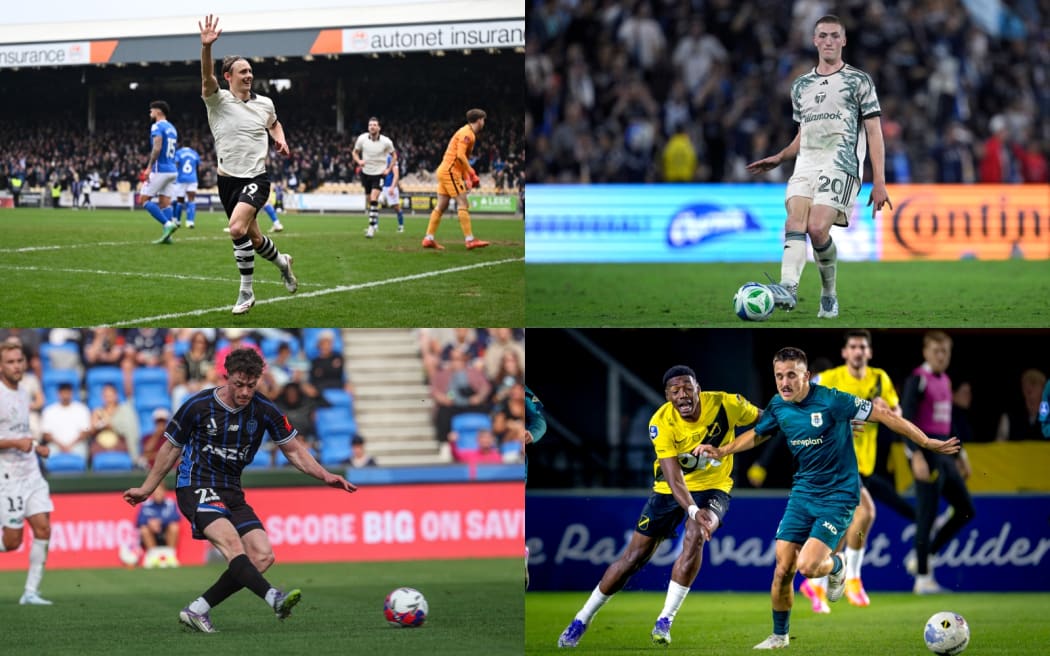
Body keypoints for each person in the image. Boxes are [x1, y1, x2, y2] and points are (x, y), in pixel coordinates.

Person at [694, 347, 959, 650]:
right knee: (782, 568)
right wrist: (723, 450)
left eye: (791, 375)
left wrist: (926, 442)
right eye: (779, 376)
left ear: (806, 376)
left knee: (807, 567)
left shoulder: (833, 399)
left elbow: (884, 415)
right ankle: (779, 637)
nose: (784, 382)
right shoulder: (779, 405)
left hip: (838, 495)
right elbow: (758, 433)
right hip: (803, 493)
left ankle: (836, 566)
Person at [123, 348, 357, 633]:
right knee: (233, 545)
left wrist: (324, 475)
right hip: (197, 486)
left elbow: (294, 450)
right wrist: (148, 488)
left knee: (262, 556)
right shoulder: (197, 406)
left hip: (232, 491)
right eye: (239, 384)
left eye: (251, 385)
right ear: (226, 377)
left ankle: (197, 610)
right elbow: (171, 447)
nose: (245, 391)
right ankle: (275, 598)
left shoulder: (265, 410)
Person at [558, 366, 761, 648]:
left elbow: (768, 422)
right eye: (675, 391)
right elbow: (674, 478)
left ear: (698, 388)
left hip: (714, 487)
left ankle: (665, 619)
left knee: (696, 535)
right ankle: (582, 618)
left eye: (687, 388)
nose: (683, 395)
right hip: (669, 491)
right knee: (633, 558)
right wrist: (691, 509)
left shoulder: (728, 403)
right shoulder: (661, 422)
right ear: (668, 396)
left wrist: (731, 449)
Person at [745, 15, 891, 319]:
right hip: (806, 164)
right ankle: (788, 287)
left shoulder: (859, 81)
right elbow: (804, 134)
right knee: (793, 222)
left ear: (844, 41)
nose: (828, 41)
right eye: (822, 36)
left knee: (816, 228)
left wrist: (879, 181)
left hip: (841, 164)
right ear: (814, 41)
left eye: (834, 36)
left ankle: (829, 292)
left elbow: (874, 130)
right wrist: (782, 156)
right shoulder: (801, 87)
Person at [798, 329, 914, 612]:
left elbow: (897, 417)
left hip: (861, 465)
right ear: (845, 352)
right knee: (867, 511)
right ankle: (853, 578)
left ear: (869, 352)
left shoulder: (879, 378)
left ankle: (817, 583)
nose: (859, 351)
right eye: (853, 346)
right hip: (833, 460)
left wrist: (888, 411)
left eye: (863, 346)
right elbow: (803, 411)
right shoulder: (829, 379)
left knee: (846, 526)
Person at [198, 14, 298, 315]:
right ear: (228, 77)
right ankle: (283, 263)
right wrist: (206, 49)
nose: (249, 75)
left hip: (256, 177)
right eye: (242, 72)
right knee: (253, 238)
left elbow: (275, 124)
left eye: (250, 71)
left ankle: (246, 291)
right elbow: (206, 78)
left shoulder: (264, 103)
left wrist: (281, 139)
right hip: (227, 180)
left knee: (236, 227)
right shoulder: (218, 101)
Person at [900, 331, 975, 594]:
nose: (941, 356)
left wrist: (961, 453)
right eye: (936, 351)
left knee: (966, 510)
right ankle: (922, 579)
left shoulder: (945, 381)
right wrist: (914, 455)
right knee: (926, 517)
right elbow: (905, 419)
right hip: (926, 454)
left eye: (945, 351)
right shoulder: (918, 380)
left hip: (945, 455)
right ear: (926, 352)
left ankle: (924, 556)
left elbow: (948, 423)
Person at [0, 342, 55, 605]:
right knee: (12, 543)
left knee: (43, 528)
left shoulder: (23, 392)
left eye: (19, 360)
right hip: (7, 476)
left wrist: (36, 446)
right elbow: (10, 439)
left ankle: (30, 592)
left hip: (31, 472)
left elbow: (18, 432)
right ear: (1, 366)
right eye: (10, 361)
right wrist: (14, 444)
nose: (17, 365)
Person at [422, 109, 490, 250]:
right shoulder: (467, 134)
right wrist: (472, 173)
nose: (484, 122)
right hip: (450, 171)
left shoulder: (467, 132)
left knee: (441, 205)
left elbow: (462, 158)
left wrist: (467, 176)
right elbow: (460, 155)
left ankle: (428, 238)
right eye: (483, 120)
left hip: (445, 170)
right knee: (463, 203)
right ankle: (470, 240)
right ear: (479, 120)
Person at [140, 100, 181, 244]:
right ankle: (168, 237)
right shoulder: (172, 128)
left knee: (144, 200)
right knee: (165, 204)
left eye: (151, 110)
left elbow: (157, 147)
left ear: (158, 111)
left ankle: (167, 224)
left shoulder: (156, 126)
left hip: (160, 169)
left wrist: (149, 167)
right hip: (172, 170)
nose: (150, 113)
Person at [352, 116, 397, 238]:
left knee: (372, 198)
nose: (372, 127)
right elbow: (354, 152)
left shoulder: (386, 142)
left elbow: (394, 156)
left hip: (379, 173)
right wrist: (359, 161)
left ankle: (371, 227)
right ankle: (381, 199)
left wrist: (388, 169)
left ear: (379, 127)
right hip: (366, 173)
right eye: (370, 125)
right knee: (369, 200)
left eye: (374, 125)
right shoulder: (362, 139)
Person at [40, 382, 93, 461]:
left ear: (72, 393)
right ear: (58, 393)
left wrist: (70, 445)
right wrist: (61, 446)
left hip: (77, 445)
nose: (65, 395)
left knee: (82, 454)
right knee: (46, 455)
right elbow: (46, 434)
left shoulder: (82, 409)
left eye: (68, 392)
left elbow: (86, 431)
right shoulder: (49, 411)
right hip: (55, 445)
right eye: (63, 392)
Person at [995, 369, 1048, 441]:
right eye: (1025, 385)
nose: (1029, 389)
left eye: (1034, 384)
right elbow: (999, 447)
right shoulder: (1009, 418)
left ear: (1044, 389)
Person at [137, 480, 180, 556]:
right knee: (144, 529)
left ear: (164, 491)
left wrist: (160, 522)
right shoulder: (146, 505)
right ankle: (153, 556)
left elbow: (176, 517)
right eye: (156, 491)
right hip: (152, 534)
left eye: (160, 491)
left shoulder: (170, 503)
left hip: (165, 533)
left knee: (174, 527)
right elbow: (139, 520)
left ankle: (171, 555)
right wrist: (150, 523)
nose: (158, 493)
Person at [172, 145, 201, 229]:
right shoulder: (194, 153)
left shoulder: (178, 152)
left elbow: (176, 164)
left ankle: (177, 221)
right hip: (192, 179)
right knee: (191, 200)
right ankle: (190, 222)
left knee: (180, 201)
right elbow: (198, 165)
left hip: (181, 179)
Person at [380, 152, 405, 233]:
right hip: (382, 186)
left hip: (390, 186)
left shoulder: (391, 159)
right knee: (375, 204)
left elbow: (396, 175)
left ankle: (401, 226)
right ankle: (374, 226)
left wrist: (392, 187)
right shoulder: (379, 157)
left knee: (396, 207)